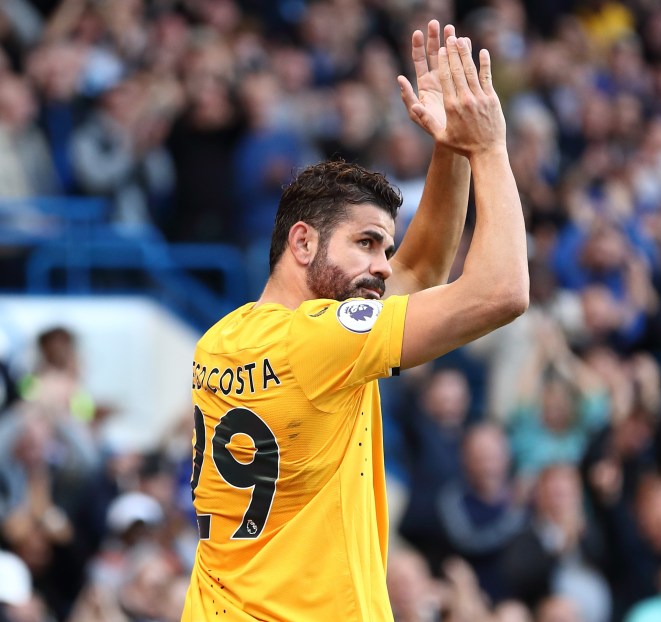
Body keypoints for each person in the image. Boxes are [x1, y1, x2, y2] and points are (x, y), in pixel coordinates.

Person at [180, 19, 529, 622]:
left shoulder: (223, 338)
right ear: (303, 242)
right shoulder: (322, 340)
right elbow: (501, 292)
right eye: (366, 244)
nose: (383, 267)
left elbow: (417, 273)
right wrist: (488, 148)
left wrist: (447, 148)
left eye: (383, 248)